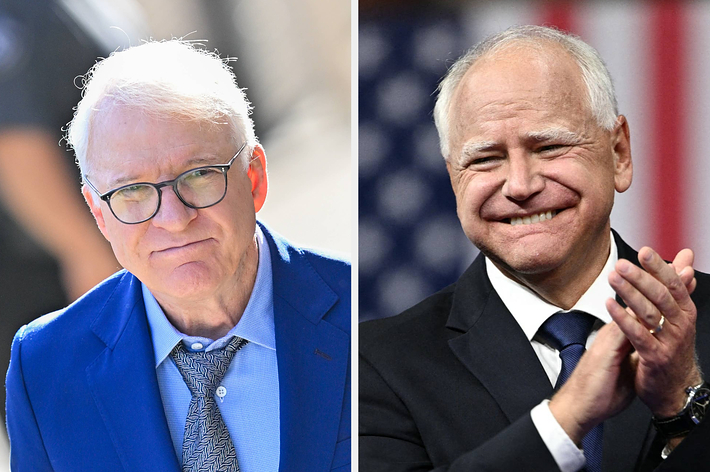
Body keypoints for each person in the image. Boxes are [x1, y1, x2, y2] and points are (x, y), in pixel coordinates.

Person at [359, 25, 710, 472]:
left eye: (549, 146)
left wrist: (680, 401)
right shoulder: (375, 367)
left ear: (618, 152)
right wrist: (565, 418)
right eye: (486, 158)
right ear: (453, 177)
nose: (520, 186)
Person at [6, 40, 351, 472]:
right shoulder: (44, 368)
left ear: (255, 178)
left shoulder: (361, 315)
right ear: (99, 214)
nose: (173, 218)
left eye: (199, 174)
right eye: (131, 190)